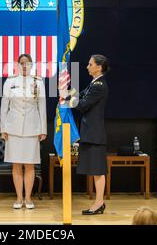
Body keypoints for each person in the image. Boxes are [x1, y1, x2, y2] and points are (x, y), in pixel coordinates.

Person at [62, 54, 109, 215]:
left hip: (95, 134)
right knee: (96, 170)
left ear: (99, 67)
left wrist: (66, 97)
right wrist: (66, 91)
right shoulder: (94, 84)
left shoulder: (99, 85)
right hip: (91, 132)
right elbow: (79, 95)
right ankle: (98, 202)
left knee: (98, 170)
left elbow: (82, 105)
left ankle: (99, 203)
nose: (87, 67)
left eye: (90, 64)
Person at [0, 54, 47, 209]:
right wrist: (3, 128)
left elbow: (42, 106)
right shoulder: (10, 81)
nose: (24, 66)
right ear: (17, 65)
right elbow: (4, 106)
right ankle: (19, 198)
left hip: (32, 128)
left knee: (29, 165)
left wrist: (43, 129)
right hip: (13, 127)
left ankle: (28, 198)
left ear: (32, 65)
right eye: (22, 63)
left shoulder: (38, 82)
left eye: (27, 63)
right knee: (16, 164)